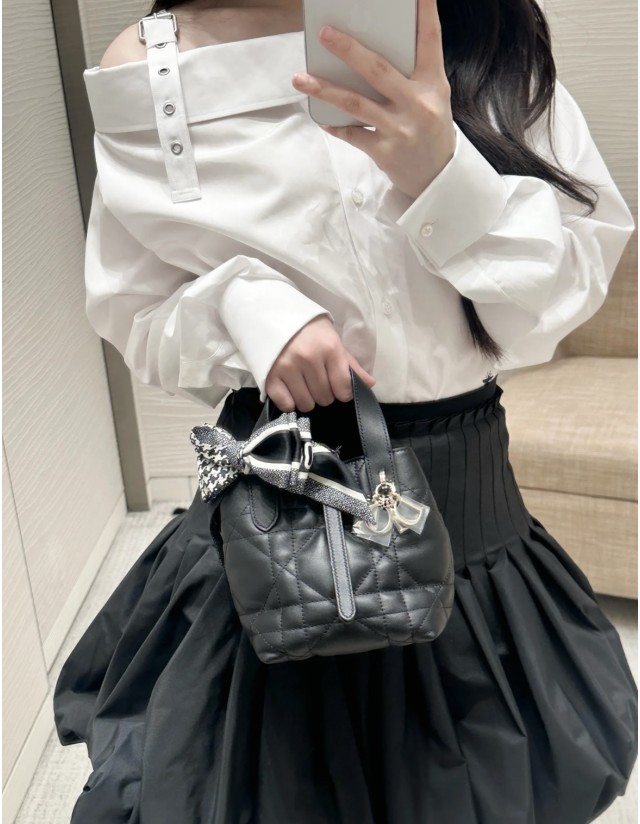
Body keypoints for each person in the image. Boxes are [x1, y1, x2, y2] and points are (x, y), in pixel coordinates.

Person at [53, 1, 638, 822]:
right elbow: (134, 310)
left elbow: (560, 300)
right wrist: (245, 308)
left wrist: (444, 174)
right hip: (274, 547)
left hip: (469, 532)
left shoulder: (477, 30)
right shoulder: (157, 64)